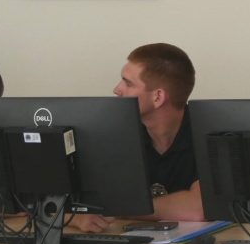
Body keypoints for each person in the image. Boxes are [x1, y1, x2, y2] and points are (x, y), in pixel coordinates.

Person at [74, 43, 203, 232]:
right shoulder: (112, 133)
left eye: (128, 83)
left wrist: (118, 210)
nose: (116, 89)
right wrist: (76, 217)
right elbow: (64, 202)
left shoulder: (206, 133)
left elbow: (199, 207)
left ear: (158, 97)